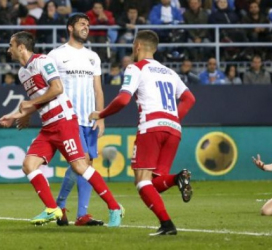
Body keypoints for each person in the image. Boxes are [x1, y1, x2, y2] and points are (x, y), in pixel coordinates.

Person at [0, 31, 124, 226]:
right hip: (48, 126)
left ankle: (115, 207)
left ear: (21, 47)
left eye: (11, 45)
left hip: (63, 121)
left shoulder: (43, 61)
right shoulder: (23, 72)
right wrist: (22, 114)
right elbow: (39, 99)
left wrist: (26, 108)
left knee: (80, 166)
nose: (8, 50)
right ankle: (52, 209)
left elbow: (57, 88)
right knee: (28, 165)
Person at [89, 30, 196, 235]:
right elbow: (189, 99)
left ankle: (167, 225)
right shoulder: (170, 72)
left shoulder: (135, 68)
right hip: (173, 129)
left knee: (141, 181)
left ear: (137, 46)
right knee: (154, 182)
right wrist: (171, 119)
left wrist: (101, 113)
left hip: (151, 127)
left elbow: (122, 99)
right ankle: (177, 179)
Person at [34, 13, 106, 226]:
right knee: (82, 163)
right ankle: (69, 209)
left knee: (86, 165)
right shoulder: (55, 55)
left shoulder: (93, 57)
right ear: (70, 28)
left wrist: (100, 116)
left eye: (88, 24)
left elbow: (98, 90)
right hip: (68, 118)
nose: (86, 27)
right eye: (82, 24)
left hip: (89, 119)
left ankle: (68, 209)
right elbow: (48, 87)